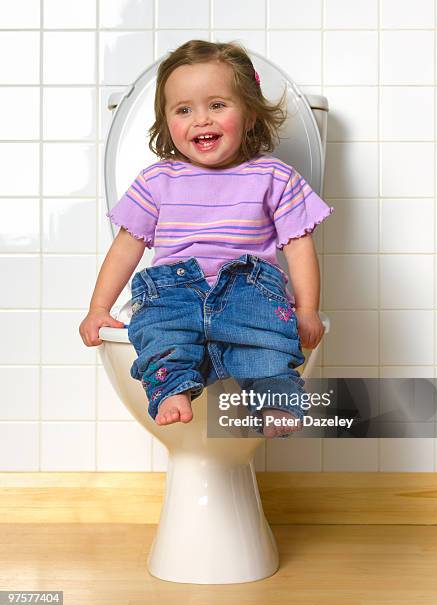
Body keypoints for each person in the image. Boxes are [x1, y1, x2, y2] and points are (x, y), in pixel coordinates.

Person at [79, 39, 334, 438]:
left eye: (217, 105)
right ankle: (171, 386)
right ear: (167, 123)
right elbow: (126, 246)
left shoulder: (274, 177)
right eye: (184, 110)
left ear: (249, 114)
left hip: (249, 291)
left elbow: (299, 246)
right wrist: (99, 307)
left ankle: (272, 397)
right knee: (159, 333)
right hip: (174, 290)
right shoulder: (157, 180)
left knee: (268, 339)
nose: (201, 120)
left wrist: (307, 309)